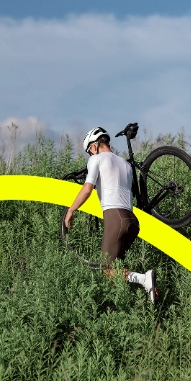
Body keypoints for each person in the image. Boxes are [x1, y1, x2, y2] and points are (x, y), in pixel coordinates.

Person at [64, 126, 157, 304]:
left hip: (115, 220)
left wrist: (71, 210)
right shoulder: (126, 164)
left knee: (107, 270)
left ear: (93, 146)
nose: (90, 155)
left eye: (89, 151)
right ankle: (127, 300)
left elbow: (87, 190)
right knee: (115, 268)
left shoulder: (96, 159)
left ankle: (145, 279)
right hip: (132, 222)